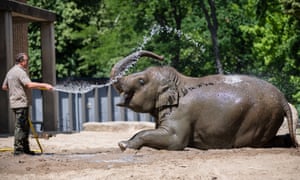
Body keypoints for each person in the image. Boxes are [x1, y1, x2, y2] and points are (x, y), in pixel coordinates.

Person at [2, 52, 53, 155]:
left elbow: (4, 87)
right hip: (21, 103)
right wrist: (45, 85)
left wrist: (15, 90)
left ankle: (25, 150)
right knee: (21, 127)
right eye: (26, 60)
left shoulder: (10, 71)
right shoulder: (20, 72)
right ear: (22, 61)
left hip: (14, 103)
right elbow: (29, 85)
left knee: (23, 126)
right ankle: (19, 150)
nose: (27, 62)